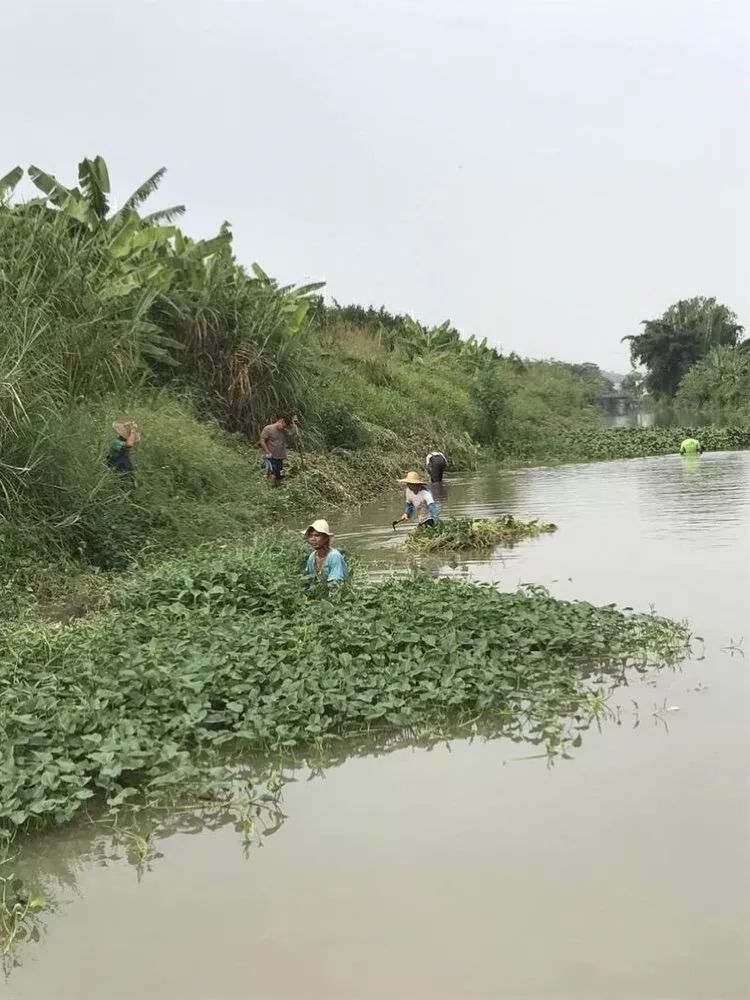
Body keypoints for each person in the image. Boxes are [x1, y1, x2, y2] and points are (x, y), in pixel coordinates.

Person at [303, 519, 349, 586]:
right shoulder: (312, 557)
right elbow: (308, 580)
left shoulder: (334, 556)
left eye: (317, 535)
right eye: (310, 536)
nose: (313, 539)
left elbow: (335, 584)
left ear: (326, 538)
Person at [259, 414, 299, 485]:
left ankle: (279, 485)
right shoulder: (268, 428)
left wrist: (294, 423)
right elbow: (262, 440)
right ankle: (268, 487)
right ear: (280, 421)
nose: (283, 427)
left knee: (281, 473)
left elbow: (295, 434)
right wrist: (267, 451)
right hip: (271, 456)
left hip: (280, 457)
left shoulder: (284, 431)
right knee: (271, 472)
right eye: (283, 425)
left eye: (285, 426)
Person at [106, 420, 138, 488]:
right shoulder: (116, 442)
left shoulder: (124, 442)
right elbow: (129, 445)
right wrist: (133, 431)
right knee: (118, 485)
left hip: (125, 467)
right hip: (116, 467)